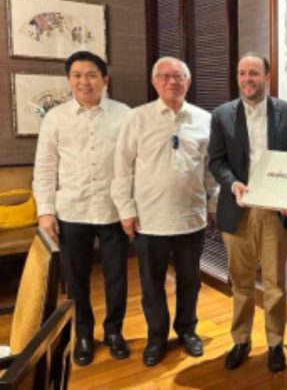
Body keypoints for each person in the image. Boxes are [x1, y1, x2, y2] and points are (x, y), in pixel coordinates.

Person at [111, 56, 218, 367]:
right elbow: (122, 168)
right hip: (148, 218)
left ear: (188, 81)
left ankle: (187, 330)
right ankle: (156, 337)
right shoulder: (137, 118)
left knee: (190, 281)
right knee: (152, 283)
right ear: (154, 82)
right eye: (164, 76)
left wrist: (211, 204)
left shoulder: (203, 119)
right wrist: (126, 210)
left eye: (178, 76)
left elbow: (209, 169)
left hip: (191, 218)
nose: (172, 81)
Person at [33, 50, 131, 366]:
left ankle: (114, 331)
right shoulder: (55, 118)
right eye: (76, 75)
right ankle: (84, 334)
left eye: (90, 74)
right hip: (71, 211)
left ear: (104, 79)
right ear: (68, 80)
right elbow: (45, 167)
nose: (83, 81)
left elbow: (134, 164)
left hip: (114, 210)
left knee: (117, 276)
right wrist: (45, 211)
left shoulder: (125, 115)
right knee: (76, 280)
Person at [208, 52, 287, 373]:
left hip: (275, 211)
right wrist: (232, 183)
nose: (247, 79)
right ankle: (241, 339)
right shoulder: (222, 115)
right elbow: (216, 161)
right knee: (241, 281)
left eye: (254, 73)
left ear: (267, 76)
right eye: (242, 73)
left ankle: (275, 342)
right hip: (238, 209)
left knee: (275, 282)